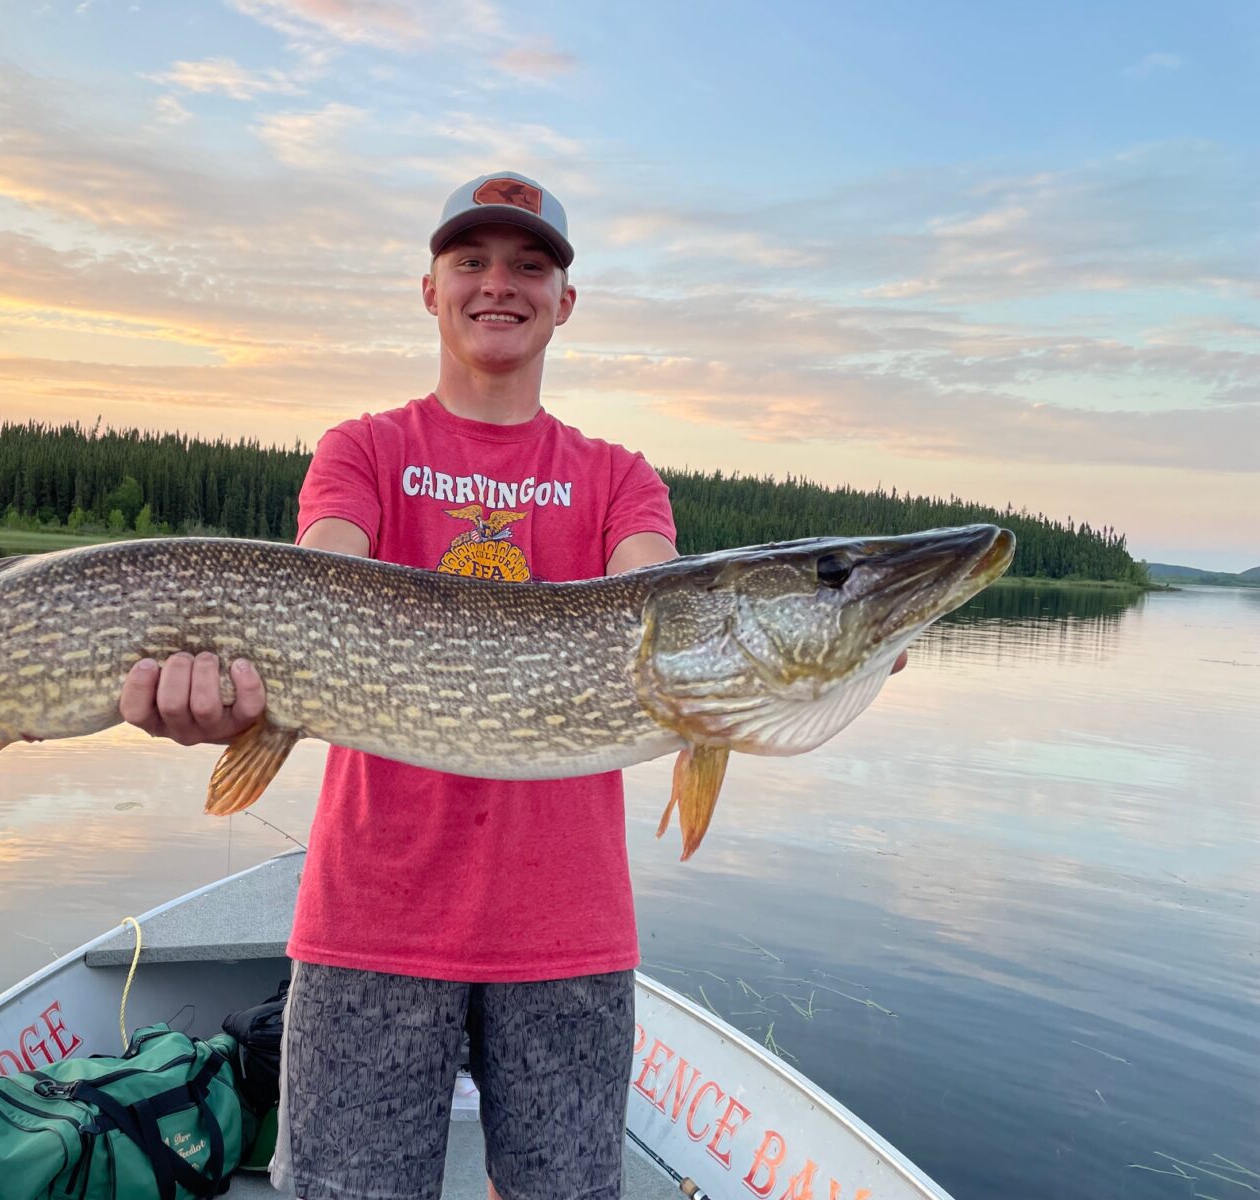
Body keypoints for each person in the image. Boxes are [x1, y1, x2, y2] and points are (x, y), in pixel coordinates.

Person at [118, 171, 901, 1200]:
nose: (500, 283)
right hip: (370, 925)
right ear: (430, 288)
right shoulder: (366, 450)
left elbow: (660, 597)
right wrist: (237, 680)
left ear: (564, 301)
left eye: (530, 266)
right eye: (472, 261)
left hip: (568, 940)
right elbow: (318, 576)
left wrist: (834, 634)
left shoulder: (619, 477)